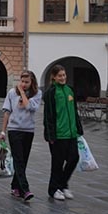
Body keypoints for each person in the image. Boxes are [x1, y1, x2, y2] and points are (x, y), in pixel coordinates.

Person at [0, 70, 42, 202]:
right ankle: (25, 190)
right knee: (18, 159)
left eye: (26, 82)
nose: (23, 84)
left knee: (23, 160)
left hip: (28, 130)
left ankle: (15, 186)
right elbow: (7, 112)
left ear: (32, 82)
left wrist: (23, 94)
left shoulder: (37, 94)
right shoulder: (12, 93)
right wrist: (3, 131)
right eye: (22, 81)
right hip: (14, 129)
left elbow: (30, 107)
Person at [43, 64, 83, 201]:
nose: (62, 78)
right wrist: (50, 135)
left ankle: (63, 185)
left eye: (64, 75)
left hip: (71, 133)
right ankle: (53, 189)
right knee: (57, 163)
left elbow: (74, 111)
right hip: (58, 134)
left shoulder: (70, 90)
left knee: (74, 158)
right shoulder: (51, 93)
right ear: (54, 77)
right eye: (59, 75)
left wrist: (78, 128)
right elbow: (48, 115)